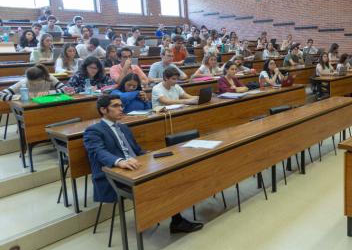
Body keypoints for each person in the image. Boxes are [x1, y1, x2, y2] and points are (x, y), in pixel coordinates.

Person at [83, 94, 203, 233]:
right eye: (115, 106)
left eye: (121, 105)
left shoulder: (123, 127)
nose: (121, 108)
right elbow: (98, 152)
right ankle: (176, 221)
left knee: (172, 173)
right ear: (103, 110)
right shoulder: (93, 130)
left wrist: (149, 155)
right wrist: (119, 161)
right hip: (114, 176)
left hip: (136, 166)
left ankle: (175, 220)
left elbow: (137, 150)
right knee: (161, 182)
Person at [0, 64, 69, 101]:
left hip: (46, 106)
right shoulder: (24, 82)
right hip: (29, 109)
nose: (32, 84)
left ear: (42, 78)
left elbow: (66, 89)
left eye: (34, 83)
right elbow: (1, 95)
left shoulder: (49, 78)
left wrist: (48, 93)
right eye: (30, 82)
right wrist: (21, 97)